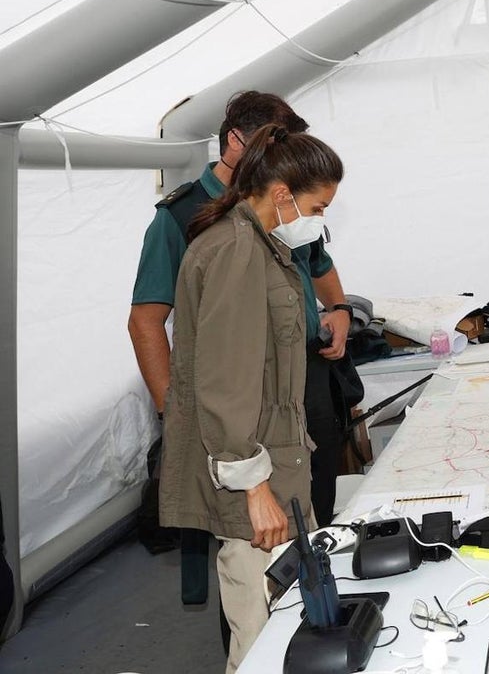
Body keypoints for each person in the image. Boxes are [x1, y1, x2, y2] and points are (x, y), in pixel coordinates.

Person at [159, 124, 343, 673]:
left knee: (288, 620)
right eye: (319, 205)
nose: (321, 218)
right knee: (260, 634)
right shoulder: (237, 250)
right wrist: (254, 487)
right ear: (283, 194)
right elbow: (224, 380)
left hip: (279, 461)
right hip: (251, 476)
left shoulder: (264, 246)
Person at [129, 91, 353, 538]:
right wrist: (181, 416)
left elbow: (318, 267)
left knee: (313, 520)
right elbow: (159, 330)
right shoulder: (212, 230)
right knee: (257, 558)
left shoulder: (276, 220)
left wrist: (341, 310)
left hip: (295, 384)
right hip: (247, 408)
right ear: (236, 141)